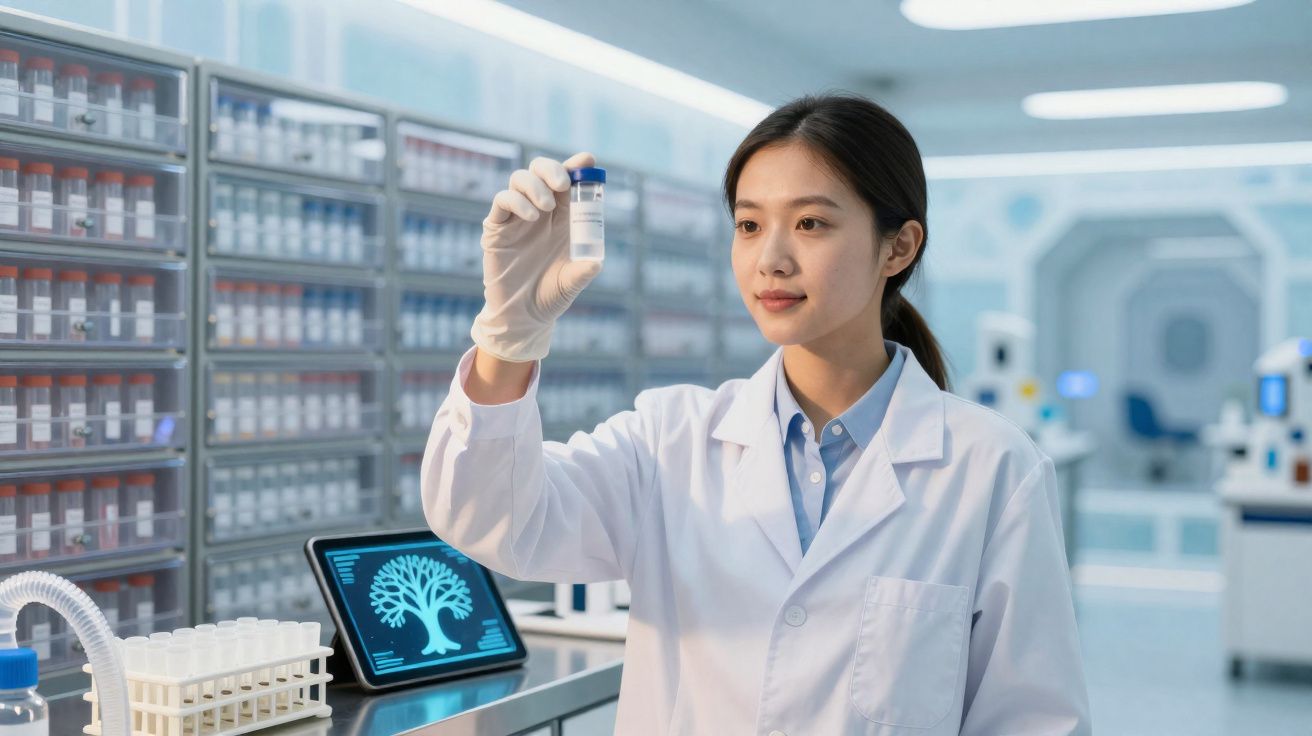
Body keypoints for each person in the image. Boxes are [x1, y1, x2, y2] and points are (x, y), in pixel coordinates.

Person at [423, 93, 1091, 735]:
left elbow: (1031, 720)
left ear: (899, 247)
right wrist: (506, 338)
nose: (770, 259)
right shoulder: (669, 441)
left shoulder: (992, 468)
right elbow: (492, 523)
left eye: (811, 223)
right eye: (749, 225)